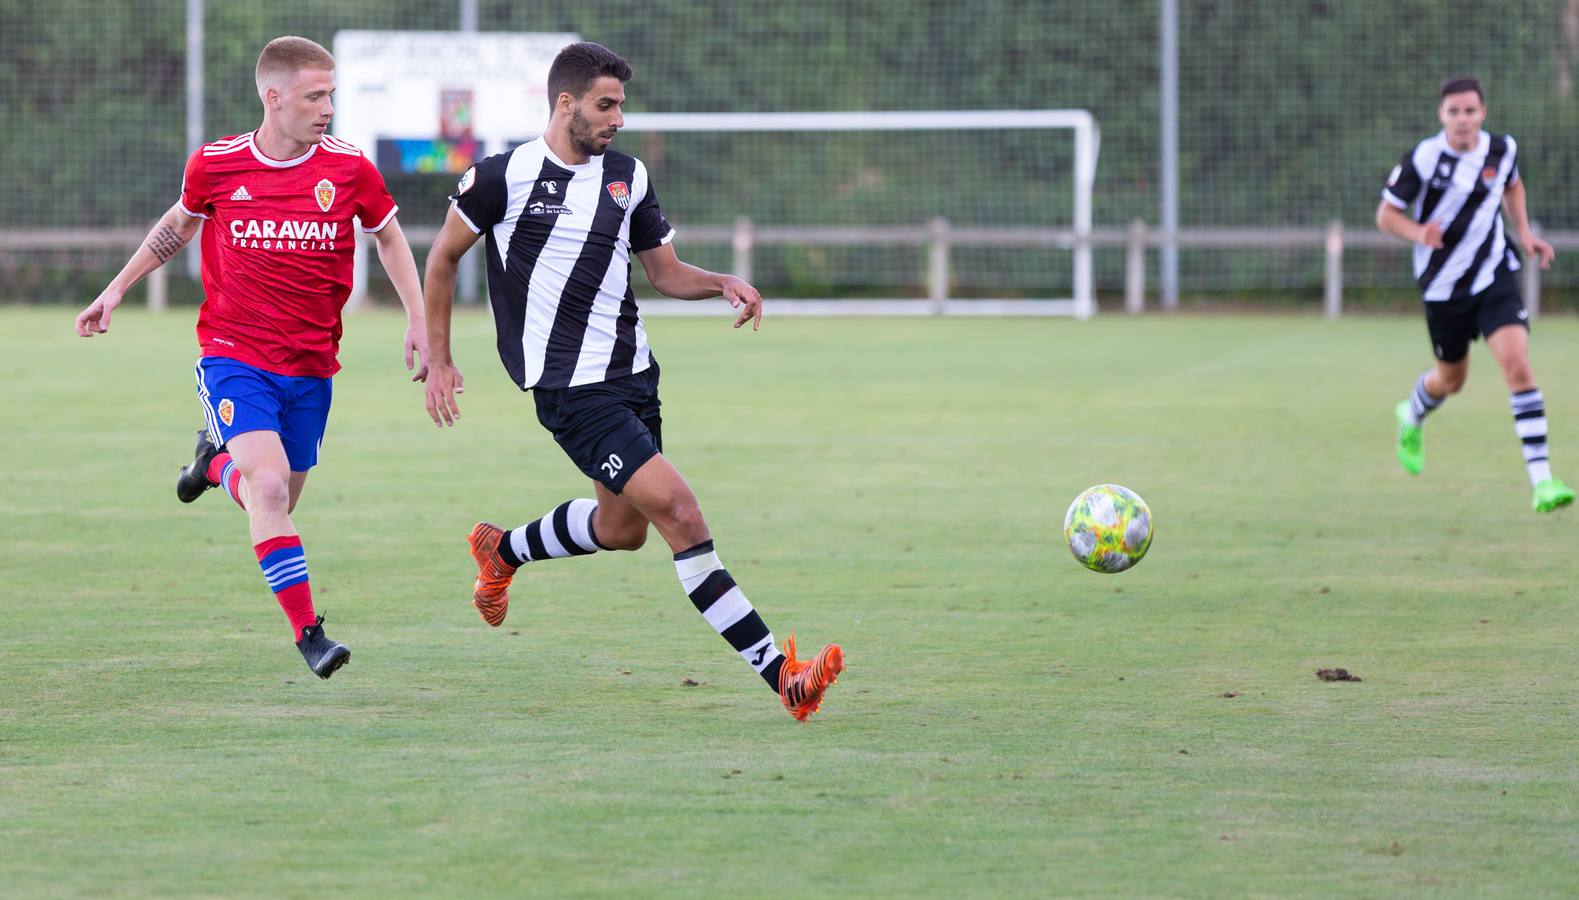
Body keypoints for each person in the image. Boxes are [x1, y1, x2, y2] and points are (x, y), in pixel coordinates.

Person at [421, 42, 843, 721]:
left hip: (634, 376)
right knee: (679, 512)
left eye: (620, 104)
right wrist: (439, 358)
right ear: (565, 104)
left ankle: (502, 550)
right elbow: (440, 260)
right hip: (570, 390)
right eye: (604, 105)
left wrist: (720, 283)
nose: (617, 118)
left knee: (622, 530)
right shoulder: (502, 177)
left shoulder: (626, 176)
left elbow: (664, 269)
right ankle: (782, 676)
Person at [74, 36, 430, 677]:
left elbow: (390, 240)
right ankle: (310, 636)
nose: (327, 108)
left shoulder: (350, 170)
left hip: (312, 365)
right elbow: (177, 226)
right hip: (233, 354)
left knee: (278, 499)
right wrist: (115, 289)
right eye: (314, 96)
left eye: (331, 95)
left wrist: (418, 319)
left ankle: (212, 469)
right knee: (268, 489)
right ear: (274, 96)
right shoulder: (216, 164)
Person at [1377, 75, 1573, 513]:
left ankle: (1542, 481)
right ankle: (1411, 416)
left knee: (1518, 366)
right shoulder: (1425, 159)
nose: (1463, 120)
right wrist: (1417, 232)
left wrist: (1523, 233)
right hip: (1444, 288)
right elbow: (1386, 215)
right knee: (1451, 380)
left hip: (1493, 276)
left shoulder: (1502, 149)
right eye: (1454, 112)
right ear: (1441, 115)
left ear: (1483, 112)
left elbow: (1512, 183)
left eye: (1470, 111)